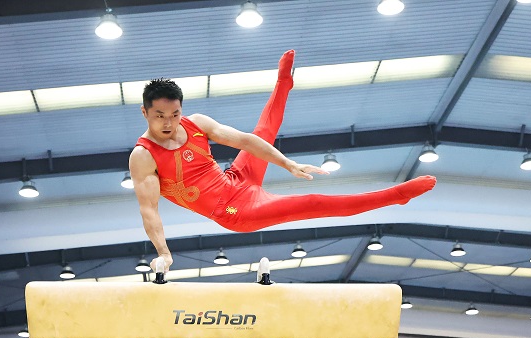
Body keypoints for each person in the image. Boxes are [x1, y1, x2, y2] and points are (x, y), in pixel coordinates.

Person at [130, 50, 437, 273]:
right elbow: (150, 209)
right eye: (160, 116)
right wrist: (164, 254)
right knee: (313, 202)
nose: (169, 122)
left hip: (235, 179)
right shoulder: (144, 156)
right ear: (144, 113)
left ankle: (283, 83)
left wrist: (288, 164)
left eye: (175, 114)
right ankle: (395, 196)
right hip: (236, 211)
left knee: (261, 133)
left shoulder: (196, 123)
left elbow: (246, 141)